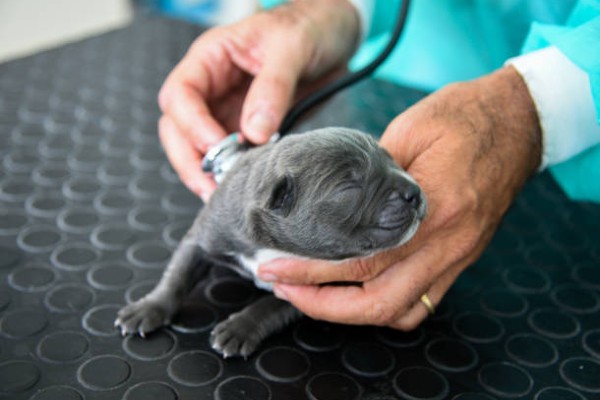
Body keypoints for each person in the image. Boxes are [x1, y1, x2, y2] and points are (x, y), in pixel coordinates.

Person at [157, 0, 600, 330]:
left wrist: (535, 104)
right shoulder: (249, 206)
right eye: (349, 189)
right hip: (405, 73)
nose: (408, 186)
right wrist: (331, 10)